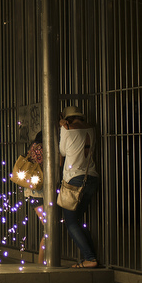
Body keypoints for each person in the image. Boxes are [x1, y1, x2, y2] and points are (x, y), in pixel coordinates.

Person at [59, 105, 100, 268]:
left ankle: (90, 258)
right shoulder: (91, 129)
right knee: (78, 220)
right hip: (92, 177)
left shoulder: (67, 129)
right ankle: (92, 257)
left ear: (67, 118)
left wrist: (63, 128)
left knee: (71, 222)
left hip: (74, 180)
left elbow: (62, 151)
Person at [23, 131, 46, 264]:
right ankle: (41, 261)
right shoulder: (42, 148)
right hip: (39, 193)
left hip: (33, 193)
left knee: (48, 228)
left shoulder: (33, 147)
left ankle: (42, 261)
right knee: (49, 229)